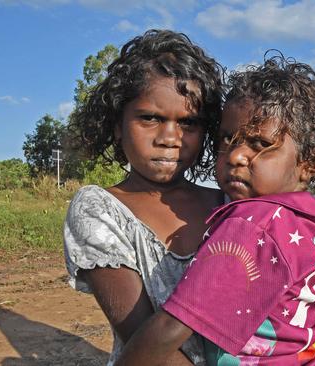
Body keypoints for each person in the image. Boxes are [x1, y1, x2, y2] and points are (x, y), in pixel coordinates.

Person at [115, 53, 315, 365]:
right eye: (228, 138)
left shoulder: (254, 221)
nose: (236, 155)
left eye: (259, 144)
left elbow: (173, 326)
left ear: (309, 163)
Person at [63, 29, 224, 365]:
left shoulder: (227, 205)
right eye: (150, 118)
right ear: (118, 124)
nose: (170, 137)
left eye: (189, 122)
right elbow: (142, 342)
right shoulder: (99, 209)